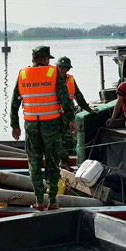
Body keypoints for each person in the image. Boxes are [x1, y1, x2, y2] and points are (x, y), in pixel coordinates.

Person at [10, 46, 75, 211]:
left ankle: (39, 201)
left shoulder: (23, 74)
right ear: (46, 59)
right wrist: (71, 121)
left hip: (31, 126)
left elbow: (14, 102)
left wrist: (15, 126)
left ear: (34, 59)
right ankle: (52, 201)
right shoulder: (53, 73)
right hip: (51, 126)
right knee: (52, 163)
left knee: (34, 163)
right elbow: (65, 100)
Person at [55, 56, 94, 169]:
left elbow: (78, 96)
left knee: (68, 140)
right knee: (56, 140)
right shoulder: (51, 80)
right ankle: (60, 162)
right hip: (53, 115)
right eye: (60, 67)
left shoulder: (70, 80)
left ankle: (64, 162)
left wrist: (88, 109)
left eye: (65, 68)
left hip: (67, 115)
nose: (62, 70)